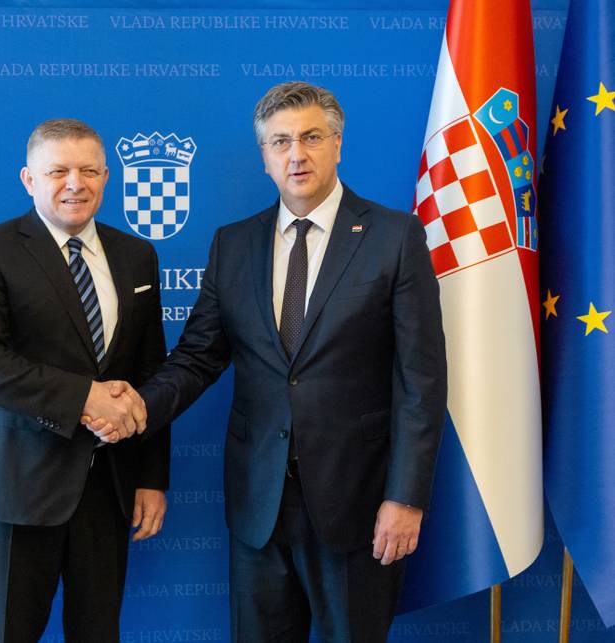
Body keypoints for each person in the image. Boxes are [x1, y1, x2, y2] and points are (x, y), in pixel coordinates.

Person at [95, 81, 447, 642]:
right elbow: (197, 358)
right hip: (259, 506)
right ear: (264, 157)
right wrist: (137, 405)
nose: (296, 154)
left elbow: (420, 382)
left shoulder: (394, 236)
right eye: (280, 142)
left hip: (357, 503)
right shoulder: (233, 244)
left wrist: (405, 498)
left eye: (311, 137)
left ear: (337, 144)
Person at [0, 118, 169, 643]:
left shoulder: (137, 255)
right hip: (19, 486)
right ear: (28, 179)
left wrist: (152, 477)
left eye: (89, 170)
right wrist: (85, 396)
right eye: (59, 170)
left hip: (109, 487)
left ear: (106, 177)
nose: (76, 183)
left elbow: (150, 374)